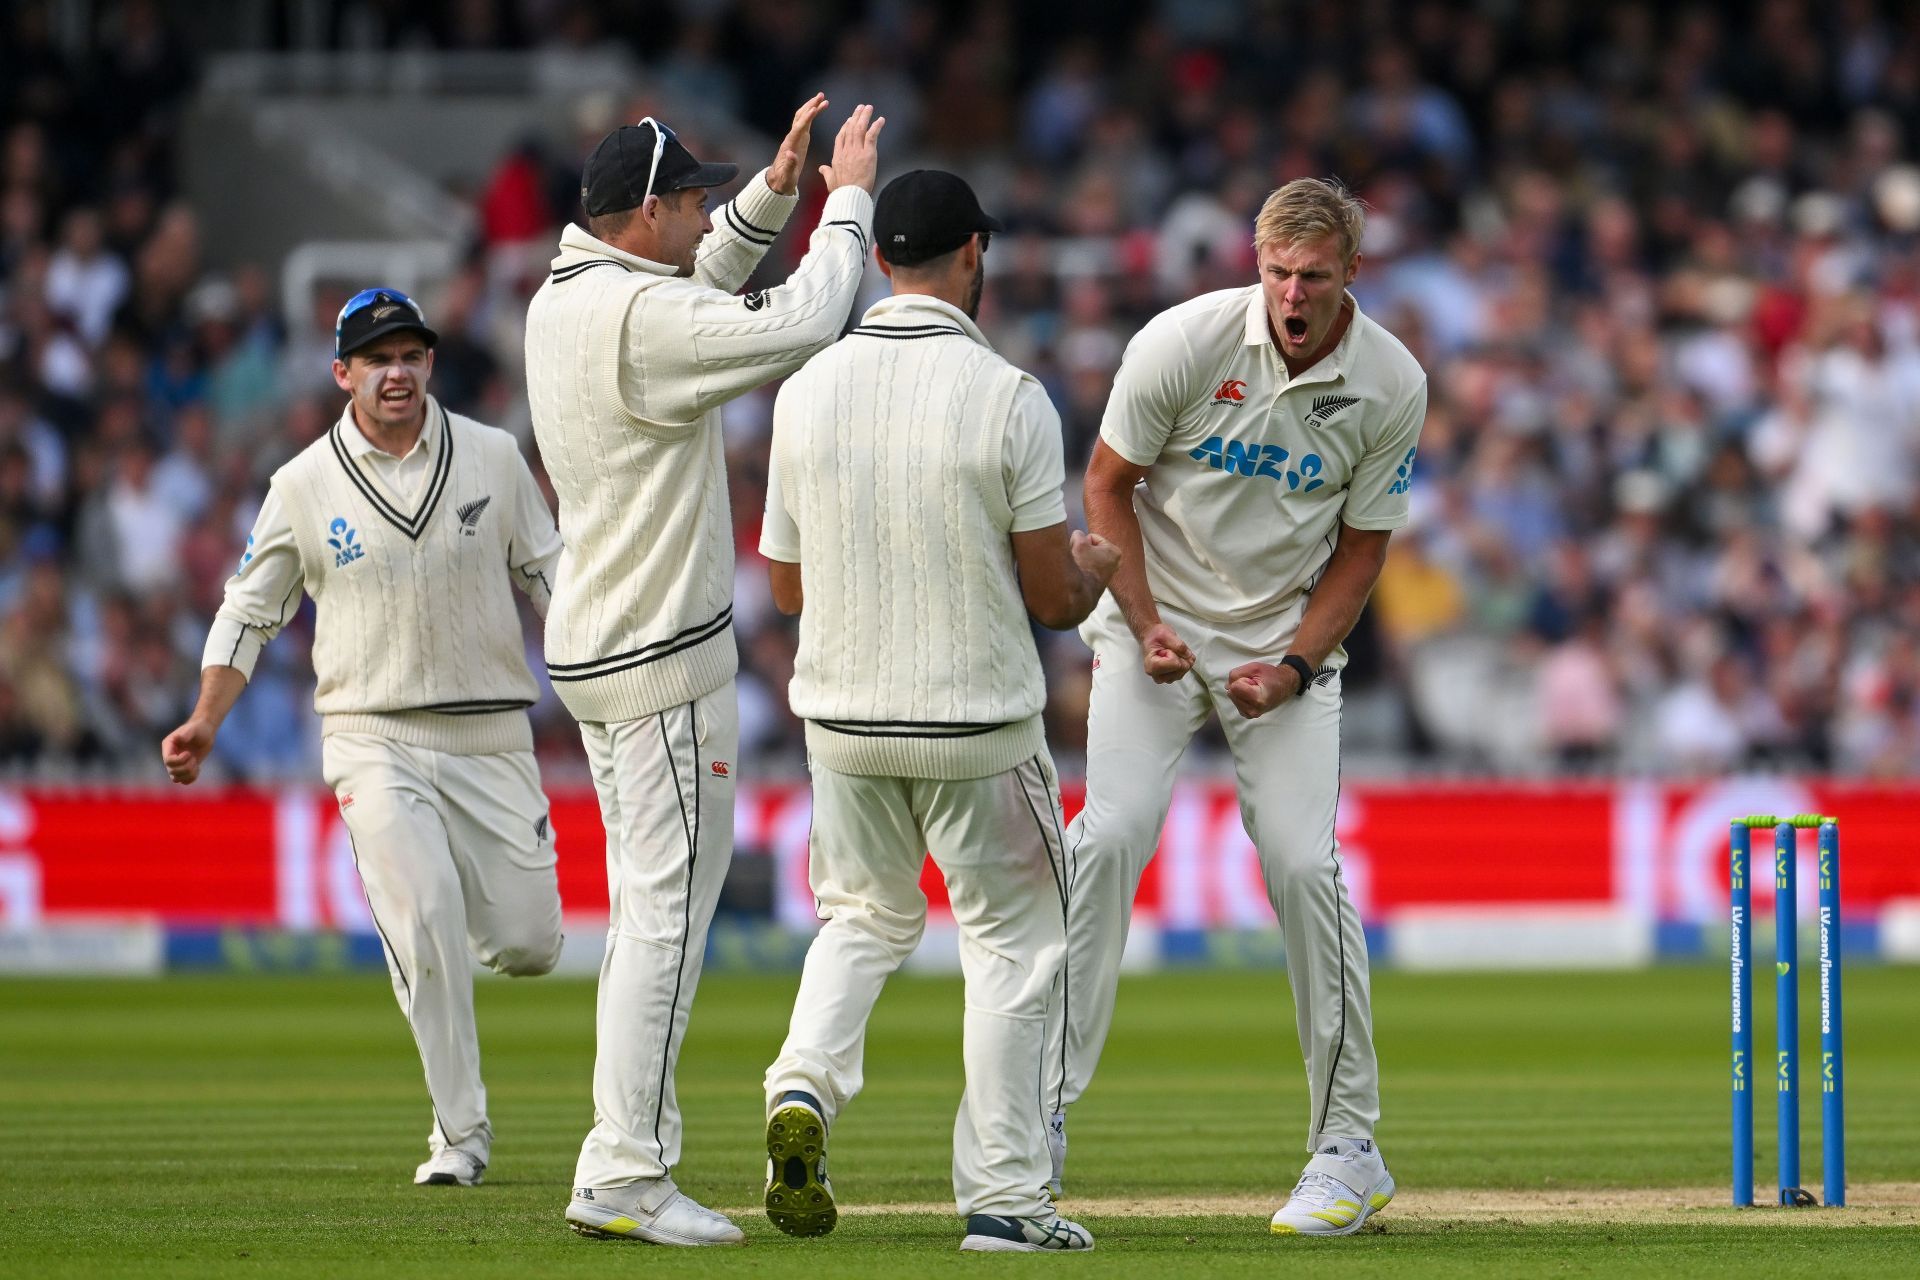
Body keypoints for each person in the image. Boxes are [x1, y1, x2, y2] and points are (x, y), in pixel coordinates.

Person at [523, 97, 884, 1247]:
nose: (700, 217)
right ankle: (626, 1168)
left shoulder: (569, 290)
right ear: (643, 214)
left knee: (646, 913)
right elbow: (803, 319)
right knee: (668, 919)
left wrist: (772, 192)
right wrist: (847, 197)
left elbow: (701, 280)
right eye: (689, 201)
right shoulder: (637, 313)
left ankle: (618, 1156)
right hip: (659, 656)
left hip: (599, 641)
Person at [1042, 178, 1427, 1236]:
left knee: (1306, 863)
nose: (1293, 294)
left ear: (1352, 272)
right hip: (1152, 626)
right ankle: (1038, 1116)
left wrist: (1297, 666)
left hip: (1282, 646)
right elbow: (1108, 485)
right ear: (1258, 264)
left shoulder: (1391, 381)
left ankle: (1348, 1143)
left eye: (1314, 275)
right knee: (1110, 835)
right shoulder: (1184, 340)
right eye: (1278, 272)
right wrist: (1148, 617)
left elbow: (1362, 551)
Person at [758, 169, 1116, 1254]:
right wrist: (1095, 569)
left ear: (879, 261)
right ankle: (1005, 1195)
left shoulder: (805, 388)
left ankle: (804, 1087)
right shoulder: (1008, 394)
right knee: (1015, 942)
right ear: (972, 258)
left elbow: (782, 585)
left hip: (843, 720)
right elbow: (1055, 599)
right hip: (978, 726)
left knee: (860, 920)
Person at [161, 287, 565, 1189]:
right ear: (342, 373)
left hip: (492, 733)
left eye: (412, 355)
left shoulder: (495, 458)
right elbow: (250, 612)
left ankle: (429, 929)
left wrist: (607, 678)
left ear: (430, 364)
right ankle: (459, 1138)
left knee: (532, 945)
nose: (397, 372)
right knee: (423, 916)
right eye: (377, 359)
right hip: (371, 731)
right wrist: (204, 719)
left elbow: (554, 581)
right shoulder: (301, 485)